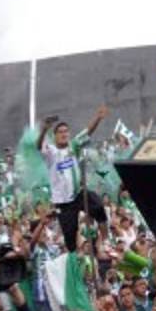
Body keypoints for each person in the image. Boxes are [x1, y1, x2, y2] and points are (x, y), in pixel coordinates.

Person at [38, 106, 109, 253]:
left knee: (98, 206)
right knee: (70, 238)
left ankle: (106, 241)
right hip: (63, 203)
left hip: (78, 194)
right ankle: (74, 259)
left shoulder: (74, 145)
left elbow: (87, 131)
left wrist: (98, 118)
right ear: (55, 135)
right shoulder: (51, 151)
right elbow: (39, 146)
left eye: (66, 131)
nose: (64, 134)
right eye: (60, 132)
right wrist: (44, 129)